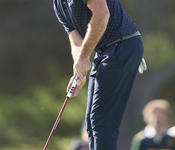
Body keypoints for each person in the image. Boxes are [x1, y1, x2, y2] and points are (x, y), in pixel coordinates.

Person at [53, 0, 146, 149]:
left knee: (102, 122)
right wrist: (79, 69)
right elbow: (76, 42)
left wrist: (84, 58)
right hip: (104, 52)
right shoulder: (58, 4)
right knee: (91, 123)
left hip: (122, 44)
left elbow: (102, 15)